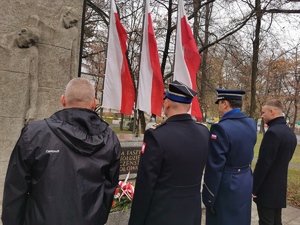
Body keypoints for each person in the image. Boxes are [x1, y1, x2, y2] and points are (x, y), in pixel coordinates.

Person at [1, 78, 122, 225]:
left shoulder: (34, 134)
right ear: (94, 104)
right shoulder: (111, 140)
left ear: (63, 100)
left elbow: (15, 189)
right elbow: (107, 192)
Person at [128, 80, 209, 225]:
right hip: (192, 214)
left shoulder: (156, 135)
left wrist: (136, 220)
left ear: (167, 104)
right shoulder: (203, 132)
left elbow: (145, 184)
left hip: (162, 214)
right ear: (189, 105)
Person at [202, 88, 257, 225]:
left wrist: (208, 197)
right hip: (245, 180)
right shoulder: (251, 123)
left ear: (225, 103)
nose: (219, 107)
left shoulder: (220, 128)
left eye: (219, 103)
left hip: (227, 186)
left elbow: (215, 166)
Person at [253, 100, 297, 225]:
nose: (262, 115)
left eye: (263, 112)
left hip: (267, 189)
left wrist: (254, 188)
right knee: (277, 221)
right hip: (279, 187)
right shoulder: (290, 133)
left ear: (271, 112)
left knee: (266, 221)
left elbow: (264, 164)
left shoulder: (272, 133)